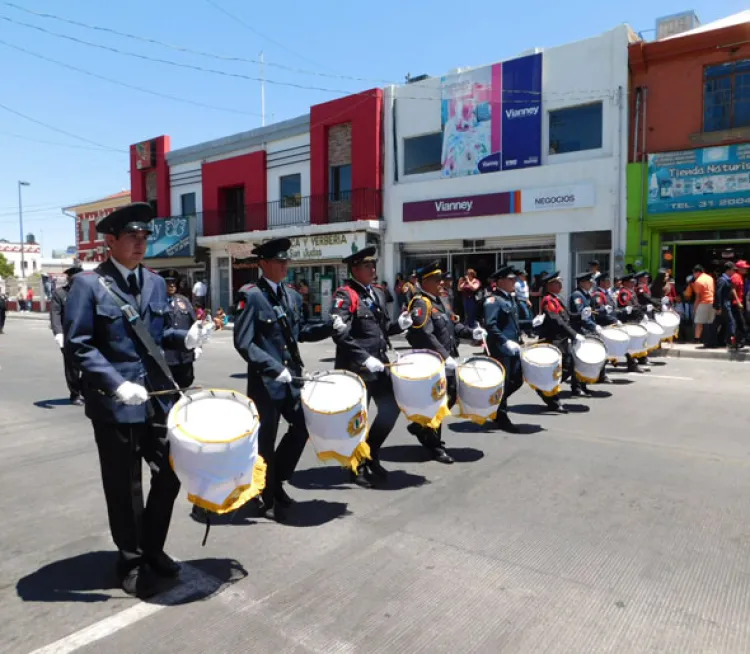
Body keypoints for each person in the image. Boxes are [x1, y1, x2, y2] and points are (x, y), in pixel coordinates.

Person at [65, 202, 210, 597]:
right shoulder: (88, 285)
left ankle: (153, 547)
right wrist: (115, 383)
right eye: (132, 236)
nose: (140, 243)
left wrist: (185, 339)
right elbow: (79, 345)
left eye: (145, 237)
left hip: (156, 401)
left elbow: (158, 336)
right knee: (125, 485)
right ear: (110, 241)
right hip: (116, 404)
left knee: (170, 471)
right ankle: (130, 559)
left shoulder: (156, 283)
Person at [233, 237, 333, 521]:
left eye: (286, 260)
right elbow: (244, 343)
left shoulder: (291, 295)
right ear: (263, 263)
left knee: (302, 425)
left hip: (292, 378)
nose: (284, 265)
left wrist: (329, 327)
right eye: (279, 261)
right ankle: (267, 496)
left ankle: (276, 480)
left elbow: (299, 332)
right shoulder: (251, 295)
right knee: (265, 440)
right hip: (266, 382)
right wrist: (272, 367)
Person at [330, 247, 412, 486]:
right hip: (357, 368)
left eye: (373, 265)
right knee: (358, 419)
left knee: (391, 409)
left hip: (378, 364)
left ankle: (371, 452)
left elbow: (382, 328)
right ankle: (356, 467)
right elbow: (340, 334)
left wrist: (400, 324)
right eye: (367, 266)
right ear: (355, 269)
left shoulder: (375, 292)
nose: (373, 269)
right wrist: (364, 358)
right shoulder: (345, 295)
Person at [406, 261, 486, 459]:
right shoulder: (420, 303)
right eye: (436, 280)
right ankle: (435, 445)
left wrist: (472, 333)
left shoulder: (440, 301)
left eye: (441, 279)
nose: (441, 283)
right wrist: (445, 356)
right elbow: (426, 334)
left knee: (450, 396)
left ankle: (420, 426)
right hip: (432, 361)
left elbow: (453, 326)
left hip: (446, 358)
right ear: (425, 282)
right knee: (438, 398)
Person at [483, 266, 525, 432]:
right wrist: (504, 341)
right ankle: (501, 416)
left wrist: (532, 324)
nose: (515, 282)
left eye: (515, 279)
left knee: (517, 380)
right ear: (500, 281)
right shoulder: (493, 300)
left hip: (512, 347)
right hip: (500, 348)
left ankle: (493, 405)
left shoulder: (510, 299)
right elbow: (490, 325)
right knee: (504, 382)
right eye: (511, 279)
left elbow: (512, 323)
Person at [535, 271, 585, 412]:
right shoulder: (548, 300)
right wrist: (574, 334)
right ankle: (549, 394)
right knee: (558, 369)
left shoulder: (557, 298)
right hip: (553, 341)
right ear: (550, 285)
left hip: (562, 340)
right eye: (557, 282)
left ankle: (548, 390)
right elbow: (557, 321)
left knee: (568, 367)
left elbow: (567, 316)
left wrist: (581, 314)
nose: (560, 284)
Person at [50, 265, 85, 405]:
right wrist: (59, 333)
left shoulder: (86, 292)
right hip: (68, 335)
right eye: (74, 278)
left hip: (87, 334)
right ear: (69, 278)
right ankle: (75, 394)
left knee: (90, 366)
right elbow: (55, 314)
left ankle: (86, 391)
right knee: (72, 367)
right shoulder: (60, 294)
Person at [161, 269, 200, 389]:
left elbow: (194, 325)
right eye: (168, 283)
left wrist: (198, 346)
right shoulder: (156, 301)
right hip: (167, 356)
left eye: (174, 282)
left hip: (184, 355)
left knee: (186, 381)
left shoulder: (183, 300)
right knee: (167, 388)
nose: (172, 285)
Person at [568, 271, 606, 392]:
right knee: (579, 359)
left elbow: (591, 313)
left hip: (586, 329)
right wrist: (593, 326)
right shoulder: (577, 296)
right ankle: (576, 386)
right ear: (582, 283)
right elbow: (582, 315)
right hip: (579, 329)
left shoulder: (586, 295)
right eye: (589, 282)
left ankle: (583, 384)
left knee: (585, 358)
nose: (591, 284)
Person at [616, 274, 647, 373]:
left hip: (634, 320)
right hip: (628, 321)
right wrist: (643, 308)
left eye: (633, 282)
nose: (633, 283)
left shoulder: (630, 291)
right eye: (630, 282)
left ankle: (634, 363)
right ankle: (632, 364)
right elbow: (628, 308)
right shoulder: (624, 293)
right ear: (625, 283)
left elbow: (636, 305)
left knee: (632, 344)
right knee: (629, 345)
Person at [714, 261, 741, 350]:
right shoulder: (722, 280)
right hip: (724, 305)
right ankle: (730, 342)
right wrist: (718, 307)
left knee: (722, 324)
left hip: (726, 304)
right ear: (728, 270)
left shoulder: (727, 280)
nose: (734, 272)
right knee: (731, 323)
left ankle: (718, 341)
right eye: (733, 270)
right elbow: (718, 293)